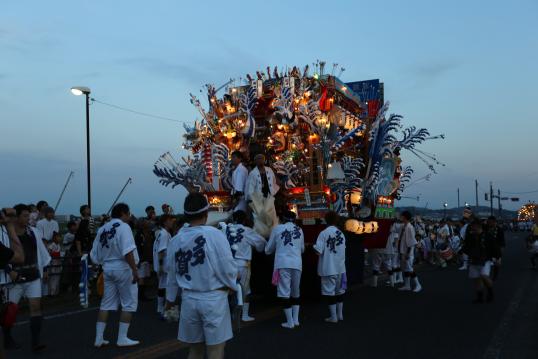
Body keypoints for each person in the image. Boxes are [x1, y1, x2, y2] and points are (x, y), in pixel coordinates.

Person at [167, 193, 237, 359]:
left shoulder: (175, 240)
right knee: (215, 349)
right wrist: (233, 286)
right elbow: (226, 267)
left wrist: (170, 300)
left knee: (195, 350)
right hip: (213, 299)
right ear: (206, 214)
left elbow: (171, 274)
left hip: (189, 299)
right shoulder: (214, 234)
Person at [90, 203, 140, 348]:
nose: (129, 217)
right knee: (128, 303)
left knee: (105, 304)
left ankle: (99, 338)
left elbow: (95, 253)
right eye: (128, 214)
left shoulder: (103, 228)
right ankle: (122, 338)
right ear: (123, 213)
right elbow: (128, 251)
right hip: (123, 268)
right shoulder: (124, 227)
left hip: (107, 268)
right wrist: (135, 270)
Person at [2, 204, 50, 351]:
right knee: (10, 311)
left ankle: (35, 341)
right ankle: (7, 338)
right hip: (14, 278)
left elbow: (41, 251)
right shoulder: (4, 233)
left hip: (33, 275)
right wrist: (8, 270)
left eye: (28, 216)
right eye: (24, 216)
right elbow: (1, 256)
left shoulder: (33, 232)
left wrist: (45, 268)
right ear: (15, 217)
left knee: (36, 307)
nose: (27, 219)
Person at [222, 210, 266, 322]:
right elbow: (261, 243)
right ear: (245, 220)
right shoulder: (247, 230)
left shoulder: (226, 230)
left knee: (228, 289)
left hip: (228, 264)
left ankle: (228, 314)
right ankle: (244, 315)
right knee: (245, 290)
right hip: (243, 265)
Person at [265, 210, 305, 329]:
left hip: (283, 263)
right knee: (295, 292)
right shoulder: (299, 230)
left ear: (282, 219)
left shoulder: (277, 229)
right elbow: (302, 249)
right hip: (297, 263)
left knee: (284, 292)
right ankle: (296, 320)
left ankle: (289, 322)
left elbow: (268, 249)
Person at [0, 208, 25, 357]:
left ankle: (8, 338)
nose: (12, 218)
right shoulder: (7, 229)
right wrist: (9, 270)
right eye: (9, 215)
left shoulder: (5, 230)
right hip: (4, 277)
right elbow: (16, 256)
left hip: (7, 280)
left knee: (8, 312)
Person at [313, 211, 346, 323]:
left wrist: (311, 246)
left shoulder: (323, 233)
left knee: (330, 293)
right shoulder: (341, 233)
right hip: (341, 268)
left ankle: (333, 317)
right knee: (340, 291)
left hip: (328, 268)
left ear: (326, 220)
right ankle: (340, 314)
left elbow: (318, 251)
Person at [246, 154, 280, 237]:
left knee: (271, 218)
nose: (260, 160)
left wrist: (273, 192)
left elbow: (274, 181)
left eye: (262, 158)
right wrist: (251, 200)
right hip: (258, 200)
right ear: (255, 161)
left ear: (264, 160)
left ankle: (272, 236)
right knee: (259, 219)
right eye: (258, 159)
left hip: (269, 198)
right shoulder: (253, 173)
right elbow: (250, 188)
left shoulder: (269, 170)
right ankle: (260, 238)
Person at [462, 219, 494, 303]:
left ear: (478, 226)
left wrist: (497, 257)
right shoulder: (470, 236)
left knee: (484, 275)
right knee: (477, 279)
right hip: (474, 259)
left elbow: (494, 247)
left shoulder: (487, 236)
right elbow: (466, 247)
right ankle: (480, 297)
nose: (472, 227)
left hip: (485, 260)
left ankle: (490, 292)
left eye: (473, 226)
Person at [153, 214, 175, 318]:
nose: (172, 222)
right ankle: (165, 310)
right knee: (168, 287)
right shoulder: (165, 234)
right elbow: (161, 251)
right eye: (170, 220)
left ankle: (160, 308)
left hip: (162, 264)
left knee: (162, 286)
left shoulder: (161, 233)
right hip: (164, 265)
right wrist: (161, 266)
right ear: (165, 222)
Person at [398, 211, 422, 292]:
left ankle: (418, 284)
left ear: (404, 217)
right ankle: (407, 285)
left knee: (410, 269)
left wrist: (407, 254)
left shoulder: (409, 227)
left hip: (407, 253)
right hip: (403, 251)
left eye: (401, 216)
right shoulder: (403, 226)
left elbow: (411, 242)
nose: (400, 217)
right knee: (406, 269)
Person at [485, 216, 505, 280]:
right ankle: (485, 274)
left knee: (497, 264)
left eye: (490, 222)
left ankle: (495, 275)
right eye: (488, 222)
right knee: (486, 262)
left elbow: (502, 241)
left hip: (496, 249)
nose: (489, 223)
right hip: (487, 248)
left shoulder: (499, 230)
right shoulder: (485, 228)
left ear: (494, 222)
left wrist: (501, 252)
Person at [47, 232, 62, 296]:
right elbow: (48, 253)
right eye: (58, 237)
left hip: (58, 261)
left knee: (57, 277)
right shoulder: (52, 245)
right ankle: (51, 292)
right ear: (54, 238)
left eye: (60, 237)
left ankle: (56, 292)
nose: (59, 239)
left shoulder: (58, 245)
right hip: (53, 262)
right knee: (53, 277)